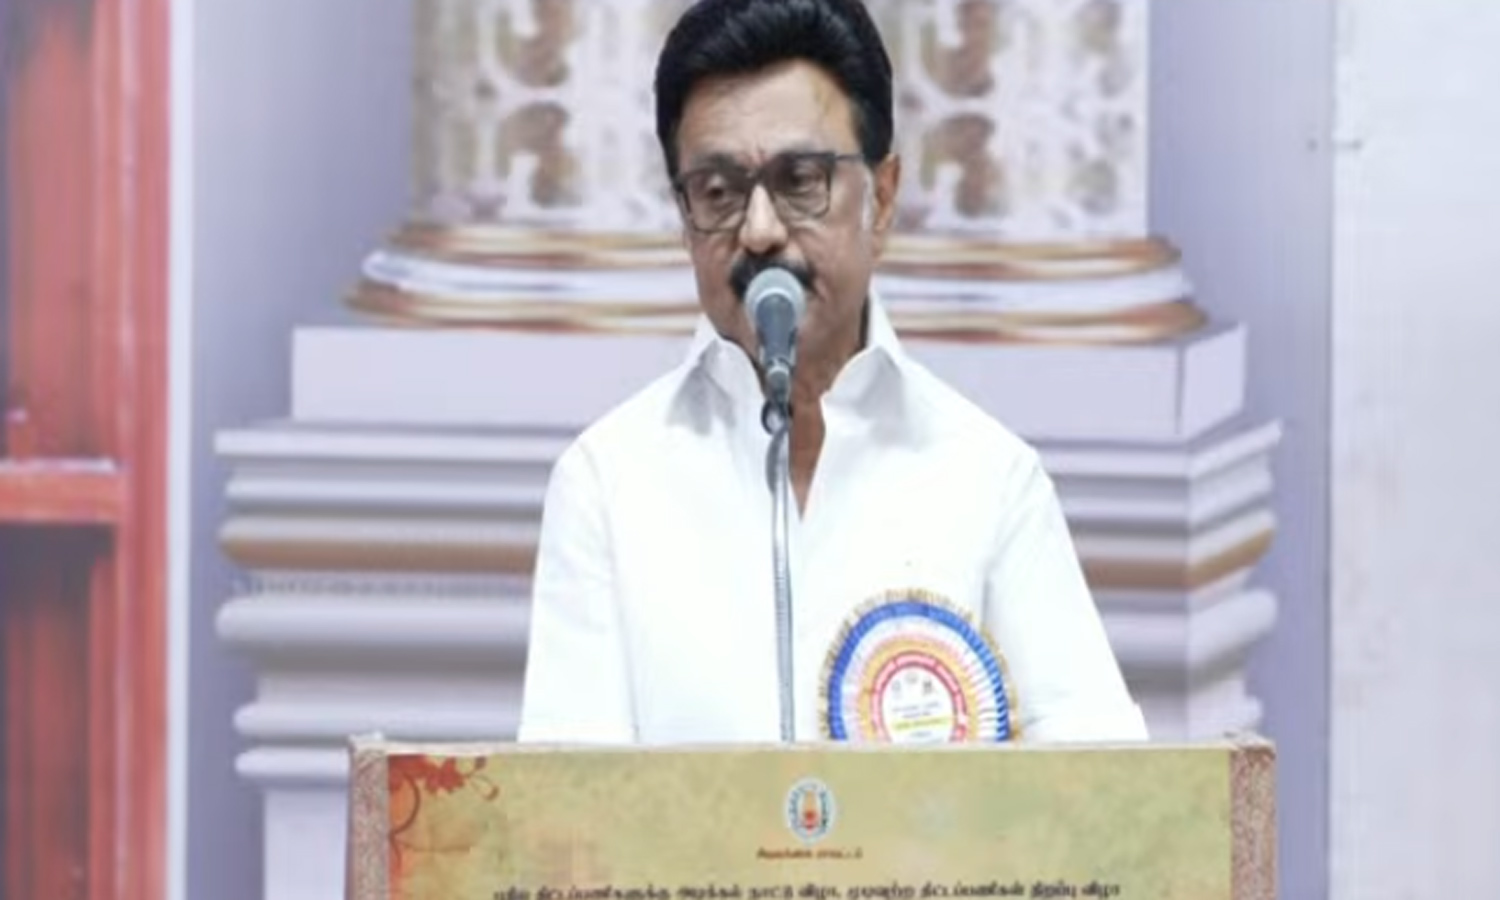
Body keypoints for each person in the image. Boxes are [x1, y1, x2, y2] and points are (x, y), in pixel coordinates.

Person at [516, 0, 1146, 745]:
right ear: (684, 219)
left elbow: (1101, 781)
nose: (759, 230)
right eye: (717, 191)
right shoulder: (606, 482)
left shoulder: (989, 478)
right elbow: (568, 805)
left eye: (800, 180)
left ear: (883, 197)